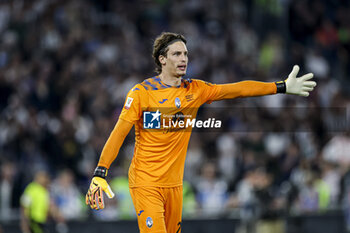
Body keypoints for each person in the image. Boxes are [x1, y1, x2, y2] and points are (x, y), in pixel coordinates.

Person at [85, 32, 316, 233]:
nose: (183, 58)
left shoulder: (195, 90)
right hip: (146, 183)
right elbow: (118, 133)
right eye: (176, 54)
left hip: (174, 185)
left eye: (185, 53)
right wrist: (100, 172)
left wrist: (280, 86)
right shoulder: (141, 93)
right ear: (162, 59)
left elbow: (236, 89)